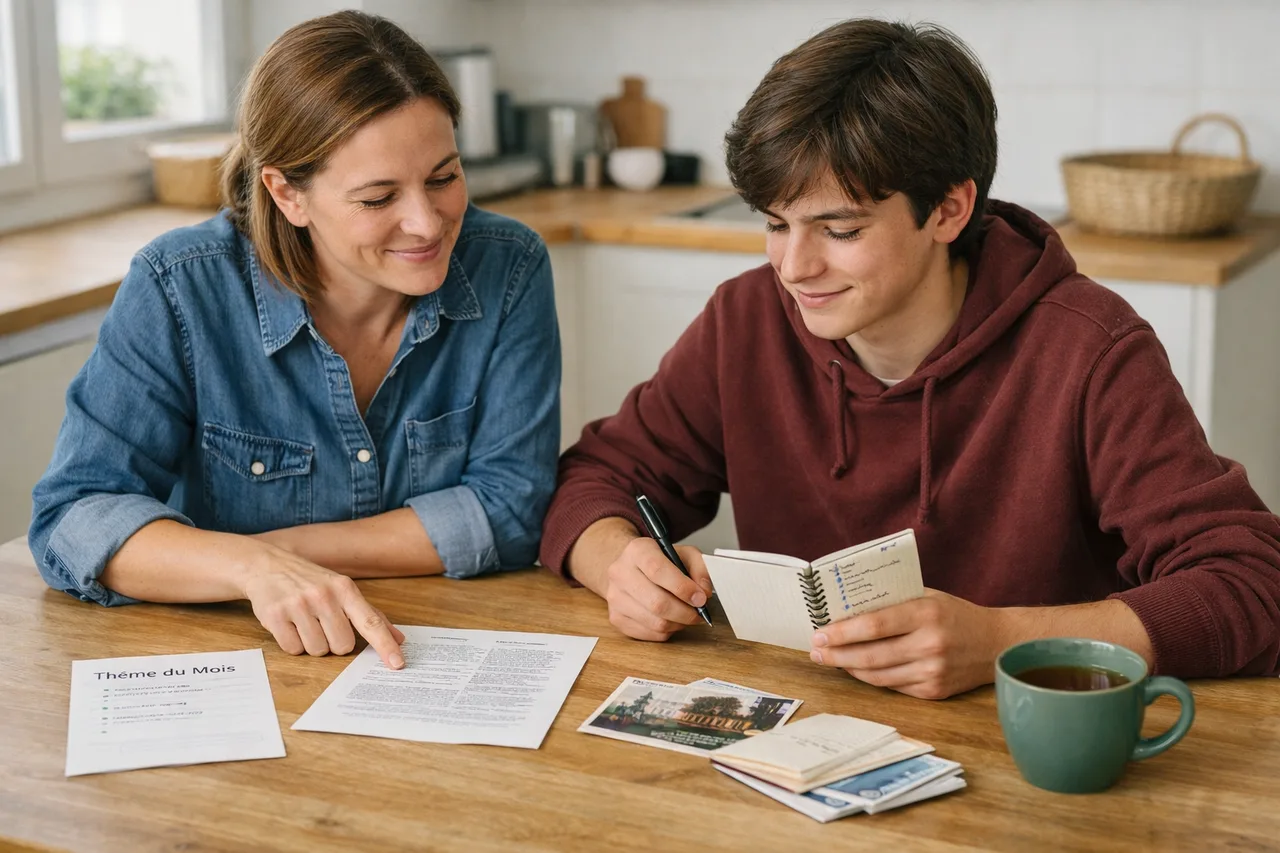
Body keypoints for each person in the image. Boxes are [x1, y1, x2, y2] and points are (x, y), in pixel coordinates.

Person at [539, 18, 1280, 699]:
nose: (794, 267)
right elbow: (598, 477)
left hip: (1031, 763)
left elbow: (1251, 582)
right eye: (774, 224)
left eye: (839, 228)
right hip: (802, 748)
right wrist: (617, 565)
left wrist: (1002, 640)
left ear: (950, 210)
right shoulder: (746, 319)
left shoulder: (1089, 349)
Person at [29, 11, 561, 670]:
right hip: (234, 655)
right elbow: (74, 518)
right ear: (287, 193)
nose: (427, 223)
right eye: (377, 197)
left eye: (444, 177)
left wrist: (284, 554)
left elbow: (511, 507)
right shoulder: (179, 285)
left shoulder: (510, 265)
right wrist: (248, 567)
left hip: (431, 653)